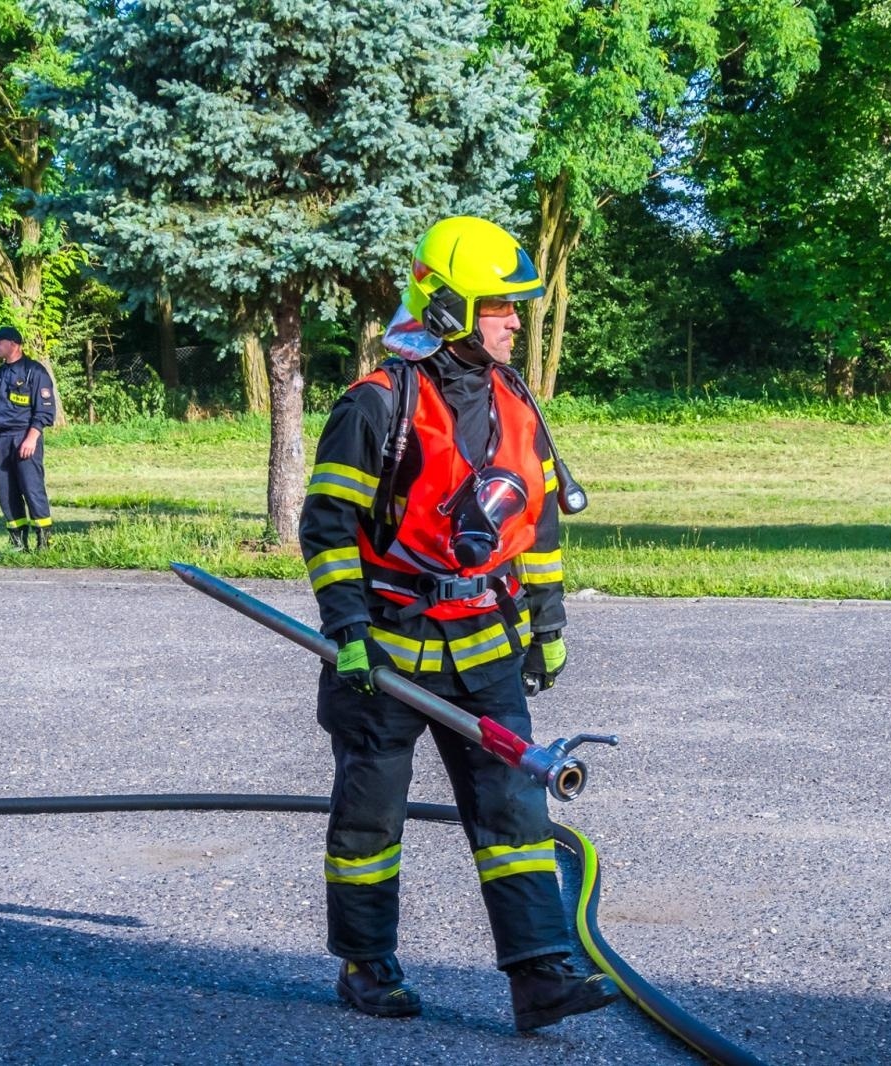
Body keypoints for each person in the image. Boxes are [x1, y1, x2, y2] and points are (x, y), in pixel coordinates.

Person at [298, 216, 616, 1030]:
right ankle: (367, 966)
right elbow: (327, 525)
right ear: (449, 309)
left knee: (515, 810)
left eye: (516, 307)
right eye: (500, 306)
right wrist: (348, 631)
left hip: (484, 647)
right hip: (388, 652)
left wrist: (546, 622)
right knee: (372, 818)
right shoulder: (378, 403)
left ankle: (542, 976)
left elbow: (537, 522)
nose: (516, 321)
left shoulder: (515, 400)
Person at [0, 326, 55, 550]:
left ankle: (45, 542)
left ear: (14, 344)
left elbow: (45, 411)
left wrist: (31, 439)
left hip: (25, 436)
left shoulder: (35, 372)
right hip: (2, 439)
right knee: (6, 491)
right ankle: (17, 543)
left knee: (31, 488)